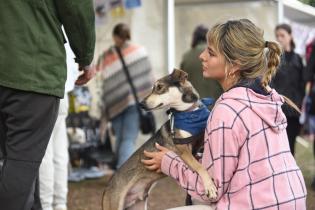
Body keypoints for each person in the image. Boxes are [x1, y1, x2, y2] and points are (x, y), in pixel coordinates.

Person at [142, 19, 307, 210]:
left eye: (211, 53)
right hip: (291, 201)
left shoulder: (227, 111)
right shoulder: (269, 99)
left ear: (234, 66)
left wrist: (168, 162)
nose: (202, 56)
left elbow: (212, 190)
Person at [0, 1, 95, 210]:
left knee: (17, 163)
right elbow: (76, 7)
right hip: (33, 67)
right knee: (23, 163)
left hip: (18, 69)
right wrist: (86, 56)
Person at [96, 23, 154, 169]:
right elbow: (149, 78)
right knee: (128, 138)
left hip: (114, 103)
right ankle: (122, 173)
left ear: (115, 37)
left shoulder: (107, 56)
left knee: (120, 139)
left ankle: (119, 171)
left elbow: (102, 79)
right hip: (134, 102)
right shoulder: (140, 52)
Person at [38, 39, 79, 210]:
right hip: (62, 89)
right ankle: (60, 203)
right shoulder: (65, 26)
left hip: (43, 88)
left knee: (45, 154)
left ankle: (46, 205)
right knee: (59, 152)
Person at [271, 23, 305, 156]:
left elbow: (302, 84)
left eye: (282, 35)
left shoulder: (298, 59)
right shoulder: (274, 58)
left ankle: (291, 174)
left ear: (290, 36)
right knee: (278, 146)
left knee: (291, 145)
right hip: (278, 109)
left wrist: (301, 104)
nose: (279, 39)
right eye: (277, 36)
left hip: (294, 110)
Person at [180, 25, 223, 99]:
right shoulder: (217, 54)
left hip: (194, 104)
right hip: (215, 103)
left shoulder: (186, 57)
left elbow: (182, 82)